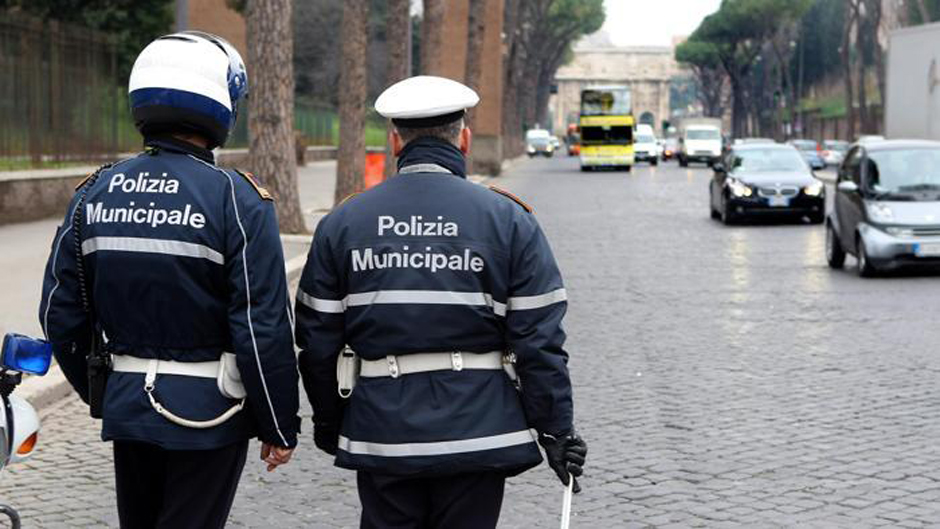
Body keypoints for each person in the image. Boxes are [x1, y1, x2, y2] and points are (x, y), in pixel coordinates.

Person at [294, 75, 587, 529]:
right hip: (478, 431)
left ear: (394, 142)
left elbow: (316, 341)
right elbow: (539, 341)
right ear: (464, 139)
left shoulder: (344, 222)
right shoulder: (508, 219)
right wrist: (556, 431)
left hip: (382, 431)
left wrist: (331, 422)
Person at [38, 32, 300, 528]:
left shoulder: (93, 193)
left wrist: (104, 392)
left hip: (128, 407)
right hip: (210, 416)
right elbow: (261, 326)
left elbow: (59, 313)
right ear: (220, 105)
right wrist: (278, 422)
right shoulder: (238, 200)